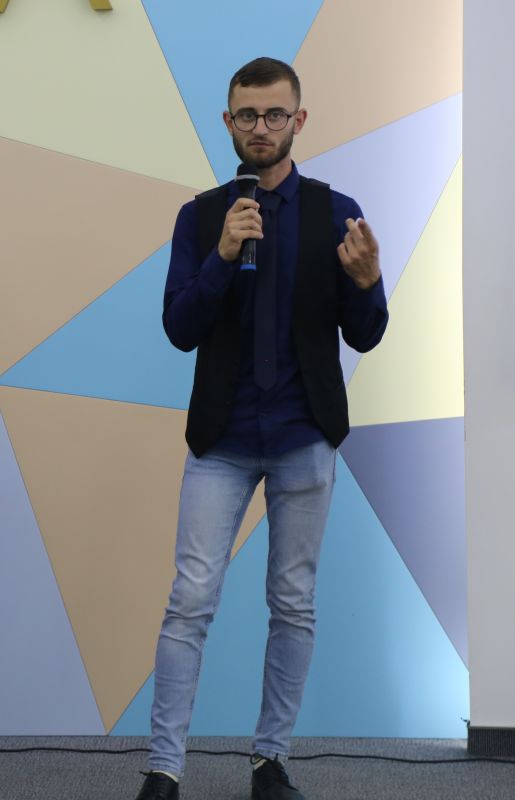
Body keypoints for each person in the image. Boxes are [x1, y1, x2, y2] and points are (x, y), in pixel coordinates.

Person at [133, 58, 388, 800]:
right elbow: (179, 328)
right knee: (190, 601)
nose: (261, 128)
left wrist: (369, 284)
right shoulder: (201, 217)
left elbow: (366, 334)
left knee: (293, 602)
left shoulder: (337, 212)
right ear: (228, 123)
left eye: (275, 115)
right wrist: (221, 256)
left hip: (305, 434)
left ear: (298, 121)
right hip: (223, 438)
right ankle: (163, 768)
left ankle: (269, 761)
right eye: (247, 115)